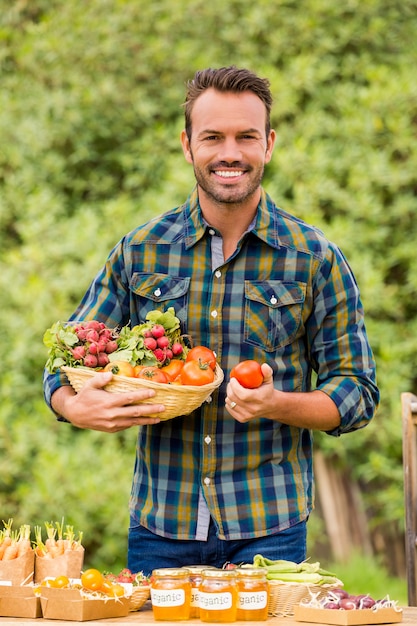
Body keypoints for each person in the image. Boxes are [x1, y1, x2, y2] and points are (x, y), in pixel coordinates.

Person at [43, 65, 379, 575]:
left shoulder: (313, 258)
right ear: (187, 145)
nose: (230, 152)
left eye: (246, 136)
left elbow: (356, 394)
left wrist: (276, 403)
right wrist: (74, 406)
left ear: (268, 144)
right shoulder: (140, 251)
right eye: (212, 137)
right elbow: (65, 361)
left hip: (270, 529)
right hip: (161, 527)